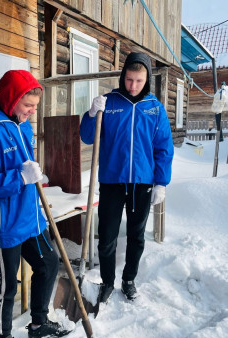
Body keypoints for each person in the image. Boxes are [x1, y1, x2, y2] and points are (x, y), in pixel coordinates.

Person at [0, 70, 72, 338]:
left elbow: (26, 167)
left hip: (30, 218)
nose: (32, 112)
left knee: (49, 264)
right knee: (6, 287)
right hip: (3, 227)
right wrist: (20, 177)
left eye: (35, 106)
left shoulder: (22, 126)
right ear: (12, 99)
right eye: (28, 105)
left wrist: (33, 176)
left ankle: (38, 322)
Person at [80, 52, 174, 304]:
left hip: (142, 182)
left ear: (147, 80)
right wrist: (91, 114)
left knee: (136, 235)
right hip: (111, 179)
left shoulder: (155, 108)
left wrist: (161, 182)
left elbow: (164, 147)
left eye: (139, 81)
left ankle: (129, 279)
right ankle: (108, 282)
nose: (133, 86)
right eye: (129, 79)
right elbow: (88, 137)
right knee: (107, 235)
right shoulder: (109, 102)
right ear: (123, 77)